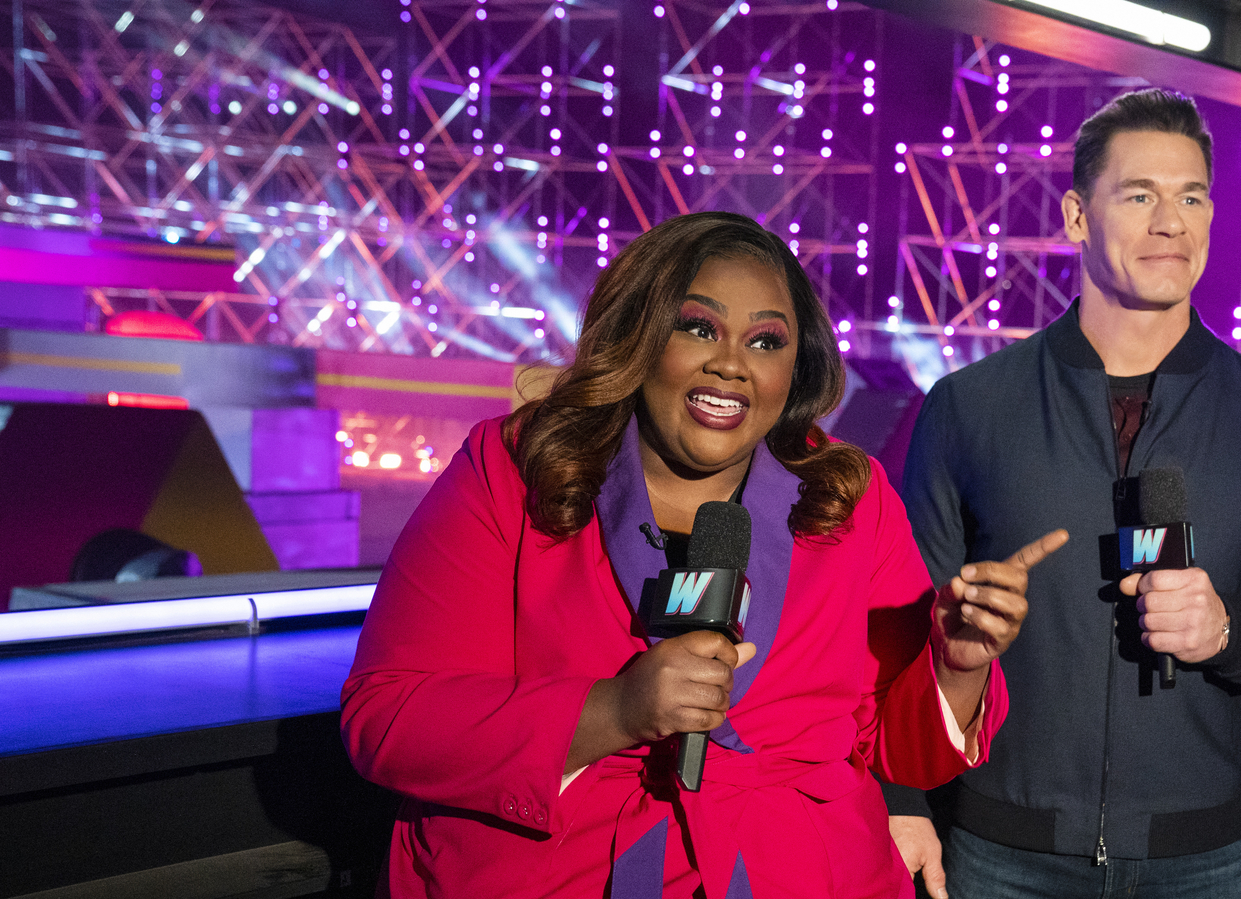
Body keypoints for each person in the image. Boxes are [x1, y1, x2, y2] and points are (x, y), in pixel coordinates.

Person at [340, 211, 1067, 899]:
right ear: (638, 334)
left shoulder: (852, 496)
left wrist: (957, 668)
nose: (731, 365)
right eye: (698, 327)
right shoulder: (514, 469)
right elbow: (390, 718)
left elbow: (902, 752)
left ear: (797, 366)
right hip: (561, 870)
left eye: (765, 341)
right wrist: (613, 710)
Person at [884, 89, 1241, 897]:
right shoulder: (970, 408)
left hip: (1200, 860)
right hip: (1003, 853)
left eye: (1192, 198)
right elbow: (897, 623)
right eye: (1140, 196)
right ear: (1078, 216)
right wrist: (900, 800)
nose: (1171, 222)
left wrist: (1229, 629)